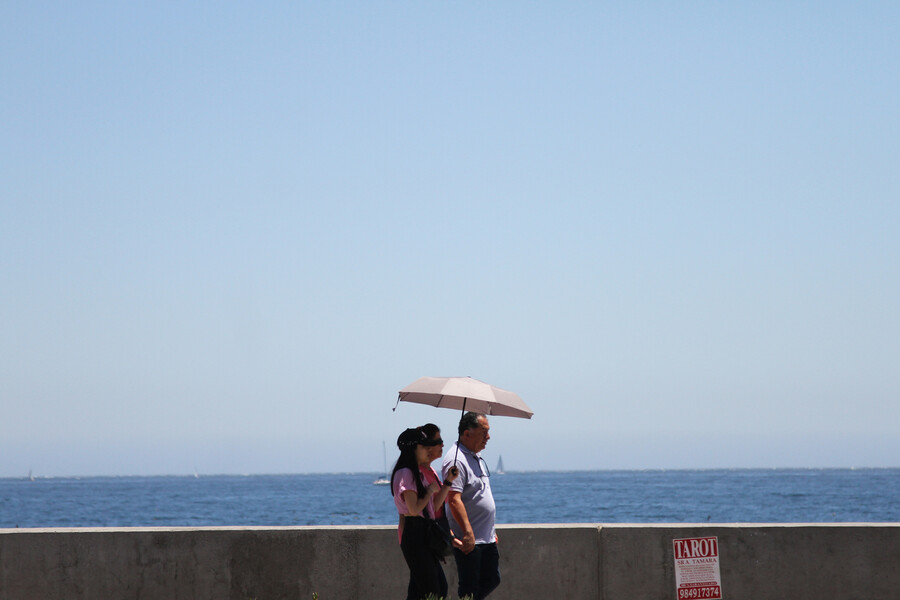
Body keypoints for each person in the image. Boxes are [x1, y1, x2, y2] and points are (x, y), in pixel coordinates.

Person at [392, 427, 459, 600]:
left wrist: (447, 482)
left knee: (430, 588)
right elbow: (414, 510)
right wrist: (429, 491)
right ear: (414, 449)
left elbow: (433, 507)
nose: (428, 450)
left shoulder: (416, 473)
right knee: (432, 590)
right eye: (424, 447)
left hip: (423, 532)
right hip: (414, 533)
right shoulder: (406, 473)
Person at [442, 412, 501, 600]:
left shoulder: (476, 456)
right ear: (466, 433)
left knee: (492, 579)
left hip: (486, 536)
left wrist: (490, 529)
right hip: (470, 538)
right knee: (469, 587)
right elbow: (453, 499)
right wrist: (467, 533)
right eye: (484, 432)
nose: (488, 437)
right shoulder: (456, 460)